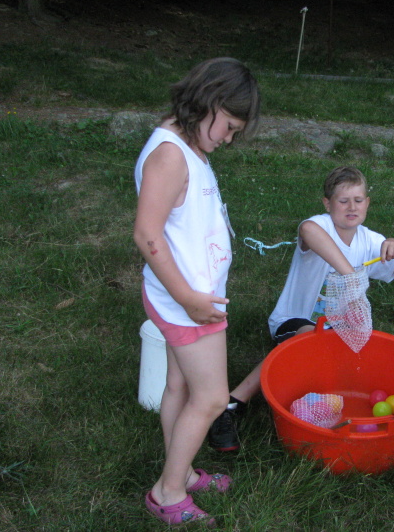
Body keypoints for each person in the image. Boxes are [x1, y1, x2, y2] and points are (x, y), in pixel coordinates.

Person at [208, 166, 394, 452]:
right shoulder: (319, 226)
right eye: (343, 201)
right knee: (311, 338)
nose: (351, 207)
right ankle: (232, 405)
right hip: (295, 320)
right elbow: (307, 231)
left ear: (367, 203)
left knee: (378, 353)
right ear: (327, 204)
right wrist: (350, 276)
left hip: (344, 329)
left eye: (358, 200)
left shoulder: (370, 240)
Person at [133, 57, 260, 526]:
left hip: (184, 298)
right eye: (229, 127)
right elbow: (147, 234)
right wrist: (189, 299)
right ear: (210, 101)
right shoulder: (170, 155)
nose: (228, 139)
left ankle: (181, 472)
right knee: (211, 398)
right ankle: (167, 492)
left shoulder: (185, 144)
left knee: (179, 386)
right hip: (186, 304)